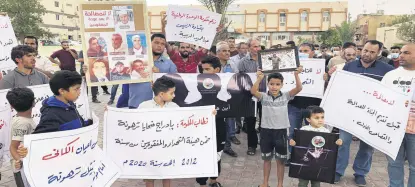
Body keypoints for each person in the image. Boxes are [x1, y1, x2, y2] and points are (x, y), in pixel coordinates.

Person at [335, 40, 394, 186]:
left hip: (372, 116)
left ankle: (360, 173)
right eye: (365, 50)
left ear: (379, 53)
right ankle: (338, 171)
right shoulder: (349, 66)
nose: (367, 54)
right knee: (343, 142)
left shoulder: (387, 70)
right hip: (349, 112)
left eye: (372, 52)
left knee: (367, 147)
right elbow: (340, 86)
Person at [251, 66, 303, 187]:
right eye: (272, 84)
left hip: (281, 132)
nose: (274, 86)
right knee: (266, 159)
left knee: (280, 161)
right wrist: (259, 79)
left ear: (282, 85)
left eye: (277, 84)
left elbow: (299, 88)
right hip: (266, 131)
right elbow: (253, 91)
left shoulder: (286, 96)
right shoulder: (263, 97)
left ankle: (280, 184)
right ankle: (265, 183)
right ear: (268, 84)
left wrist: (296, 75)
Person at [382, 43, 415, 187]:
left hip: (413, 131)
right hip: (392, 127)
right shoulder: (391, 75)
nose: (401, 56)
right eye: (401, 52)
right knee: (394, 163)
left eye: (406, 53)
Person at [137, 78, 178, 187]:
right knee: (150, 177)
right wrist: (111, 113)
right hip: (150, 149)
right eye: (172, 93)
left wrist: (209, 114)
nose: (174, 96)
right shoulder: (143, 107)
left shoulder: (175, 107)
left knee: (167, 176)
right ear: (161, 94)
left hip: (168, 148)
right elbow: (134, 125)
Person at [289, 106, 343, 187]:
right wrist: (293, 143)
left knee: (316, 183)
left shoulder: (326, 132)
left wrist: (337, 142)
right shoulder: (304, 130)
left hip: (318, 164)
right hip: (304, 162)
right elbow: (298, 144)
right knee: (302, 183)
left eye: (322, 117)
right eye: (316, 118)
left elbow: (330, 147)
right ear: (308, 119)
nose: (320, 120)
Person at [195, 55, 226, 187]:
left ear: (217, 69)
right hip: (201, 124)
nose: (204, 73)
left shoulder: (225, 83)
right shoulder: (195, 82)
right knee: (202, 152)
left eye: (207, 69)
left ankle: (214, 180)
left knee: (217, 152)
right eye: (202, 70)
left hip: (219, 123)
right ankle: (201, 182)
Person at [126, 33, 178, 109]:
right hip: (136, 105)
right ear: (149, 43)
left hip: (160, 108)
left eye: (162, 44)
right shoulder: (132, 61)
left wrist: (159, 75)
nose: (159, 46)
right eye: (156, 42)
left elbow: (175, 83)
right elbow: (121, 78)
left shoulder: (169, 64)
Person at [238, 38, 263, 156]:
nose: (257, 49)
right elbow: (241, 79)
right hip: (250, 96)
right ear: (249, 48)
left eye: (258, 46)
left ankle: (264, 144)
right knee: (250, 122)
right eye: (254, 46)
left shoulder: (266, 59)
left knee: (265, 121)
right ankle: (252, 146)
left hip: (265, 95)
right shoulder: (243, 62)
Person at [6, 87, 35, 187]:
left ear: (12, 106)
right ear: (34, 102)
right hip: (22, 169)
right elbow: (13, 147)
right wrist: (20, 161)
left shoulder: (23, 119)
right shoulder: (22, 123)